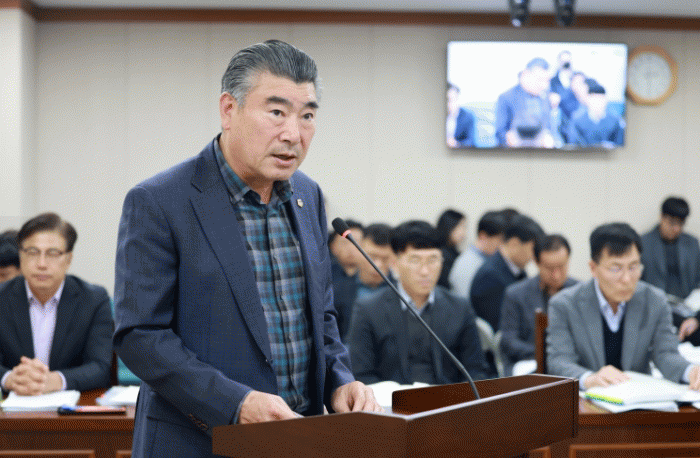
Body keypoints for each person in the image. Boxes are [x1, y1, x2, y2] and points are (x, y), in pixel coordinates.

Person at [113, 40, 381, 458]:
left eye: (307, 116)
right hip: (199, 443)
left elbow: (320, 316)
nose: (293, 134)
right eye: (276, 112)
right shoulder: (161, 200)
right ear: (228, 109)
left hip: (300, 439)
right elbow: (140, 336)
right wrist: (234, 403)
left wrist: (340, 380)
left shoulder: (307, 196)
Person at [547, 223, 700, 390]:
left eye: (633, 267)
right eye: (616, 268)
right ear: (593, 268)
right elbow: (559, 360)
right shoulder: (565, 305)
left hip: (638, 398)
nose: (626, 279)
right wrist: (589, 378)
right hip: (587, 399)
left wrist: (690, 371)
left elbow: (665, 354)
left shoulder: (655, 301)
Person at [348, 221, 492, 385]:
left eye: (433, 260)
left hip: (447, 398)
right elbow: (361, 374)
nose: (425, 271)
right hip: (392, 399)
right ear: (395, 264)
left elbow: (476, 371)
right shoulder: (369, 309)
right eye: (415, 260)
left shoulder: (459, 307)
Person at [0, 213, 113, 395]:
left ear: (68, 259)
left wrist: (57, 380)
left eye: (52, 253)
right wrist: (9, 379)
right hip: (11, 406)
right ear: (21, 256)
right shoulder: (2, 297)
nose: (42, 264)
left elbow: (100, 367)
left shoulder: (94, 300)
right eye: (32, 252)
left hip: (73, 408)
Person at [499, 234, 577, 376]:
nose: (556, 275)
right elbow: (508, 341)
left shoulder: (579, 293)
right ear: (536, 262)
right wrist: (545, 354)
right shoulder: (516, 294)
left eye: (561, 266)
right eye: (550, 268)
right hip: (528, 362)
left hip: (570, 364)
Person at [641, 197, 700, 345]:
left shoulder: (692, 243)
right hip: (657, 307)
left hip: (688, 305)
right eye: (672, 223)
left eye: (681, 224)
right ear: (662, 217)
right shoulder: (644, 243)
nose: (677, 229)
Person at [470, 214, 544, 333]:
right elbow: (500, 330)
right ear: (514, 244)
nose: (534, 257)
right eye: (533, 250)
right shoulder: (490, 277)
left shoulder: (517, 269)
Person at [495, 58, 554, 148]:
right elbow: (500, 133)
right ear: (525, 75)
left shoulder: (545, 98)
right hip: (515, 151)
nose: (544, 85)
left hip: (542, 151)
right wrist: (510, 139)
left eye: (547, 81)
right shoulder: (506, 97)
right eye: (540, 80)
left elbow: (549, 129)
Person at [449, 210, 506, 298]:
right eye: (499, 240)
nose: (502, 245)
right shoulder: (467, 265)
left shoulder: (486, 259)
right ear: (483, 236)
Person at [329, 219, 364, 341]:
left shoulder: (372, 277)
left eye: (356, 242)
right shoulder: (324, 277)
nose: (351, 247)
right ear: (333, 247)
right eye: (345, 242)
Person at [567, 79, 624, 148]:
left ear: (606, 101)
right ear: (588, 100)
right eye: (594, 99)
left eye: (601, 99)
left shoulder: (614, 121)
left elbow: (619, 144)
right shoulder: (577, 120)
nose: (598, 103)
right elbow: (573, 143)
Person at [355, 223, 397, 301]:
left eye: (385, 259)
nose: (378, 265)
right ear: (358, 250)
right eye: (372, 257)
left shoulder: (402, 292)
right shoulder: (336, 288)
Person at [549, 51, 580, 144]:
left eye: (568, 61)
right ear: (559, 62)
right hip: (559, 120)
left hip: (575, 117)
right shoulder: (552, 81)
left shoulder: (577, 79)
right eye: (563, 61)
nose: (566, 64)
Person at [435, 208, 467, 289]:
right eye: (460, 226)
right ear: (449, 226)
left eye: (464, 227)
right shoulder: (440, 254)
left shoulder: (455, 253)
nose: (463, 232)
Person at [446, 83, 477, 148]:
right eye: (447, 100)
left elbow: (471, 142)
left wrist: (456, 144)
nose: (448, 104)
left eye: (451, 100)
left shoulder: (468, 117)